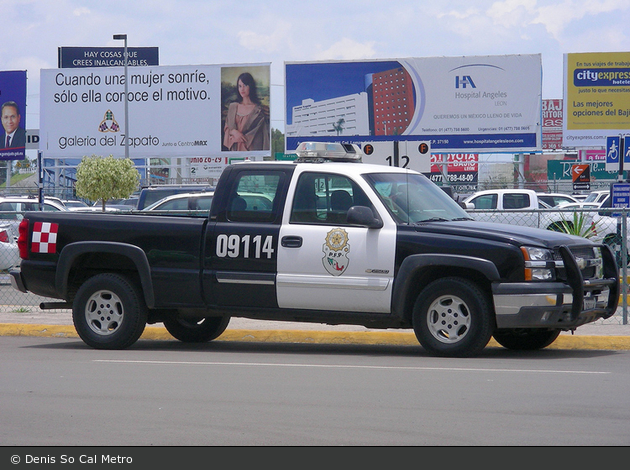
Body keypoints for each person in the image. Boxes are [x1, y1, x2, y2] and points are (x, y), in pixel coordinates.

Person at [223, 72, 269, 151]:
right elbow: (227, 128)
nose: (242, 89)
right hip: (234, 151)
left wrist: (239, 138)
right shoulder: (233, 107)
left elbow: (257, 134)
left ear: (250, 86)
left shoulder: (258, 111)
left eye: (245, 85)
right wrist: (234, 132)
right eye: (240, 86)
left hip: (251, 151)